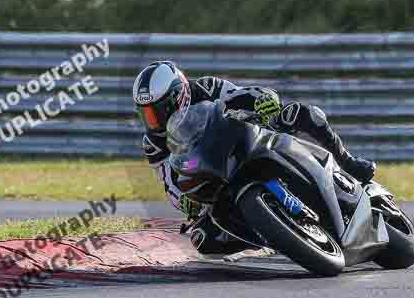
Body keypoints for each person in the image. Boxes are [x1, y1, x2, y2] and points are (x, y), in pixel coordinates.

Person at [133, 60, 376, 254]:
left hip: (247, 139)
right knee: (203, 239)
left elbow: (243, 94)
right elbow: (170, 182)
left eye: (156, 111)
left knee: (301, 113)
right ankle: (270, 235)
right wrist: (184, 199)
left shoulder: (206, 88)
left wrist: (263, 100)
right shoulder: (153, 143)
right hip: (214, 173)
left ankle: (347, 162)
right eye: (146, 114)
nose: (152, 120)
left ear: (177, 96)